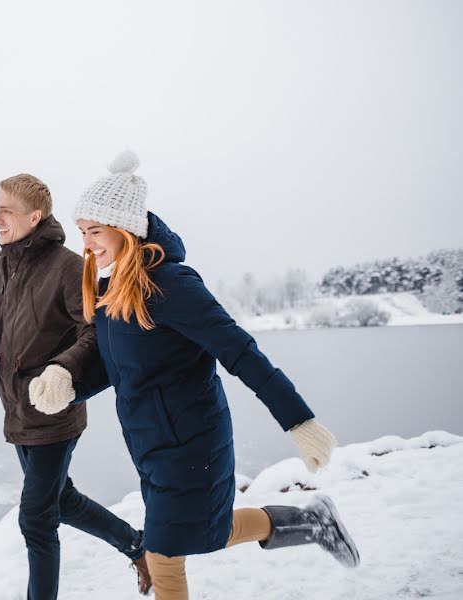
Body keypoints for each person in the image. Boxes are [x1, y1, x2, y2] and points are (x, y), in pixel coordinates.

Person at [30, 151, 360, 599]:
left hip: (191, 443)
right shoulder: (110, 293)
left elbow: (241, 352)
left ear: (125, 229)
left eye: (96, 232)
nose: (86, 243)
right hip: (151, 445)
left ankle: (311, 520)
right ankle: (311, 520)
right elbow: (116, 367)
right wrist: (70, 388)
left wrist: (298, 421)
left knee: (164, 553)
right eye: (83, 232)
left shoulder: (172, 285)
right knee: (200, 531)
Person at [0, 173, 152, 599]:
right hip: (17, 409)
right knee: (61, 500)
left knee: (36, 520)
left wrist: (61, 371)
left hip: (56, 410)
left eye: (6, 209)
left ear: (34, 216)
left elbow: (93, 333)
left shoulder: (69, 267)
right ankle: (138, 545)